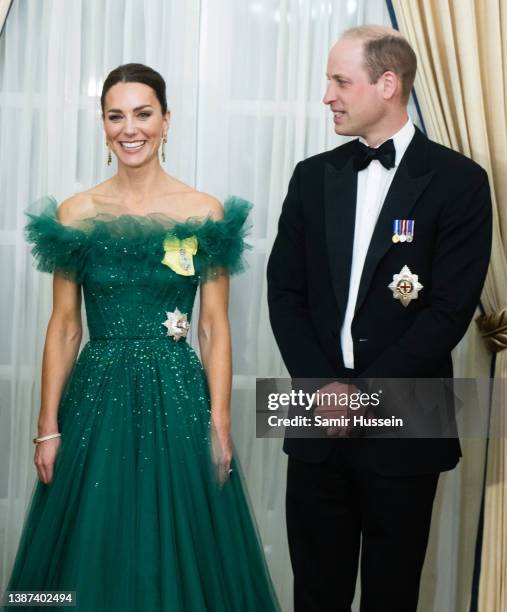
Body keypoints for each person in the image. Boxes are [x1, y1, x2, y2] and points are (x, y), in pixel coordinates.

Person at [3, 63, 279, 612]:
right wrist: (46, 426)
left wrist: (220, 425)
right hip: (95, 400)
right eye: (116, 116)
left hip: (177, 397)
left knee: (183, 545)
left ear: (166, 120)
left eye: (143, 114)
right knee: (91, 540)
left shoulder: (204, 213)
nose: (130, 128)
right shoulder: (75, 214)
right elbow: (63, 326)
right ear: (103, 126)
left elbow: (213, 326)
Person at [267, 26, 492, 612]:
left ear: (387, 84)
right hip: (316, 409)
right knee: (316, 592)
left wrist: (360, 396)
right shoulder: (311, 176)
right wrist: (324, 389)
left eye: (340, 81)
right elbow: (283, 291)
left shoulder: (461, 182)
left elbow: (450, 311)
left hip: (408, 412)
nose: (328, 96)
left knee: (393, 594)